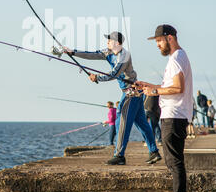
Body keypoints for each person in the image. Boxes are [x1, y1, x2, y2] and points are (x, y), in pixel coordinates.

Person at [64, 31, 161, 166]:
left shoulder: (124, 56)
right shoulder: (108, 52)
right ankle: (154, 152)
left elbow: (114, 73)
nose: (107, 43)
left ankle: (119, 155)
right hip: (132, 93)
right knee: (142, 124)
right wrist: (72, 52)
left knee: (121, 122)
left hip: (131, 93)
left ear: (117, 43)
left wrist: (97, 77)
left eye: (109, 40)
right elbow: (92, 54)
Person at [136, 24, 193, 192]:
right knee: (174, 160)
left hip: (174, 115)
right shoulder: (178, 57)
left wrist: (154, 92)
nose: (158, 45)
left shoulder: (177, 58)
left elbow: (178, 88)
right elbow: (169, 86)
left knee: (174, 161)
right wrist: (148, 86)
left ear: (169, 38)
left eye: (159, 40)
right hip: (175, 114)